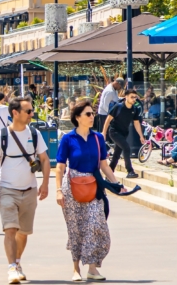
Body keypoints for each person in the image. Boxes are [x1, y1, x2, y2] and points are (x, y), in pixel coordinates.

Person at [56, 99, 135, 282]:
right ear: (78, 118)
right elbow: (60, 167)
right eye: (88, 114)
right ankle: (76, 269)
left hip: (93, 186)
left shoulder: (97, 138)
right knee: (76, 229)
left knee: (96, 225)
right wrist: (58, 190)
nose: (93, 117)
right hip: (72, 187)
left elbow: (104, 166)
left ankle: (92, 267)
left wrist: (116, 184)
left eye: (93, 114)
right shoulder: (68, 139)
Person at [0, 97, 50, 284]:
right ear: (15, 113)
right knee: (10, 230)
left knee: (23, 232)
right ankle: (11, 268)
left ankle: (17, 261)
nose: (32, 114)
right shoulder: (1, 136)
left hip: (29, 189)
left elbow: (45, 159)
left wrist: (45, 183)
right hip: (6, 189)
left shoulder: (35, 133)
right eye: (28, 111)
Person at [102, 89, 143, 179]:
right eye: (132, 97)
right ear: (126, 97)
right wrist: (104, 133)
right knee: (126, 148)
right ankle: (130, 171)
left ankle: (109, 173)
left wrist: (141, 136)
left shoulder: (134, 109)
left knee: (117, 154)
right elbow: (108, 119)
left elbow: (136, 123)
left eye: (135, 97)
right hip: (114, 132)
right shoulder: (118, 107)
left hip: (124, 133)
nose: (134, 99)